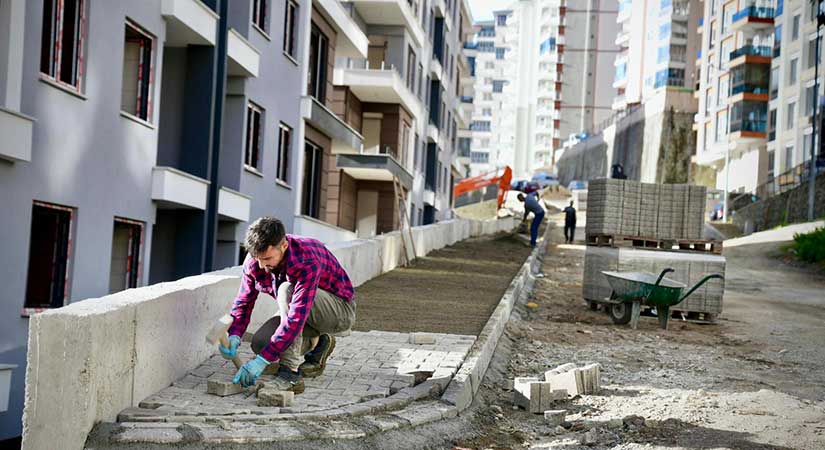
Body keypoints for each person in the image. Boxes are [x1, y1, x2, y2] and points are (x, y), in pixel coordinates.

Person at [218, 217, 356, 393]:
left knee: (286, 290)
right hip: (302, 309)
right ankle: (320, 343)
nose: (262, 265)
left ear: (283, 246)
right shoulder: (255, 261)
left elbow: (295, 318)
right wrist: (234, 335)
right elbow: (244, 302)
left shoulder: (306, 259)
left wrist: (262, 361)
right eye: (257, 258)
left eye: (267, 258)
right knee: (261, 344)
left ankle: (290, 375)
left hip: (339, 312)